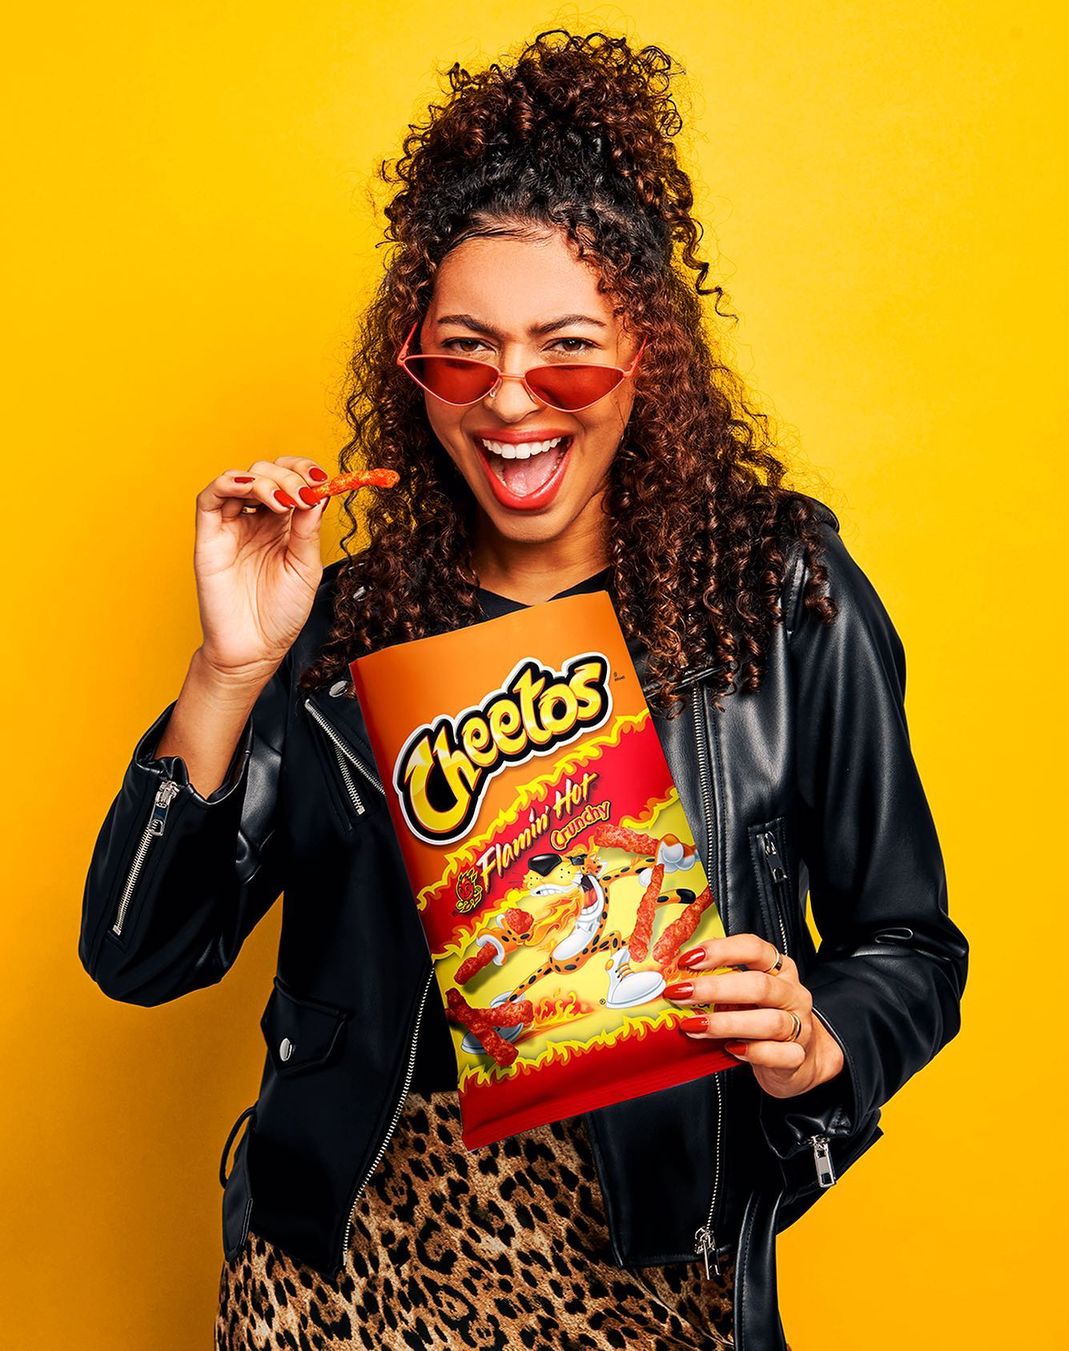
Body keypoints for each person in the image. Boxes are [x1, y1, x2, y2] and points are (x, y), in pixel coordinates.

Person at [78, 29, 968, 1351]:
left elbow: (910, 946)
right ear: (415, 366)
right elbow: (142, 954)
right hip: (340, 1276)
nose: (510, 400)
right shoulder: (344, 624)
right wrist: (229, 670)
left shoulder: (780, 597)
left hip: (651, 1277)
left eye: (567, 353)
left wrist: (817, 1038)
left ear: (648, 357)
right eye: (463, 353)